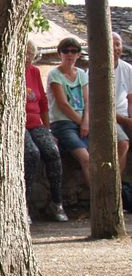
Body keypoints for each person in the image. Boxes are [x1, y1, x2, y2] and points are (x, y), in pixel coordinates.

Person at [23, 40, 66, 222]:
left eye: (31, 56)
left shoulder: (34, 71)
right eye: (25, 56)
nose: (28, 60)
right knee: (32, 154)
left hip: (36, 122)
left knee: (52, 151)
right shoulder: (10, 73)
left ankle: (57, 203)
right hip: (20, 124)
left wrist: (47, 129)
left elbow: (42, 103)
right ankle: (23, 205)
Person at [47, 37, 91, 184]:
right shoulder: (55, 74)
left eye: (74, 51)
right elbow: (62, 104)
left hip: (82, 123)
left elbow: (87, 100)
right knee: (86, 159)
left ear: (79, 54)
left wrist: (85, 121)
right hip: (63, 124)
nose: (69, 54)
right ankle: (96, 200)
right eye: (65, 51)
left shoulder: (81, 74)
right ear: (60, 54)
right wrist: (81, 123)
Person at [112, 32, 132, 174]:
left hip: (126, 118)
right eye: (111, 44)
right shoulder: (93, 71)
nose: (115, 48)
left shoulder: (128, 69)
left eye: (117, 44)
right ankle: (115, 188)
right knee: (123, 143)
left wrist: (130, 119)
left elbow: (131, 99)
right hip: (110, 119)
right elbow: (99, 108)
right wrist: (125, 120)